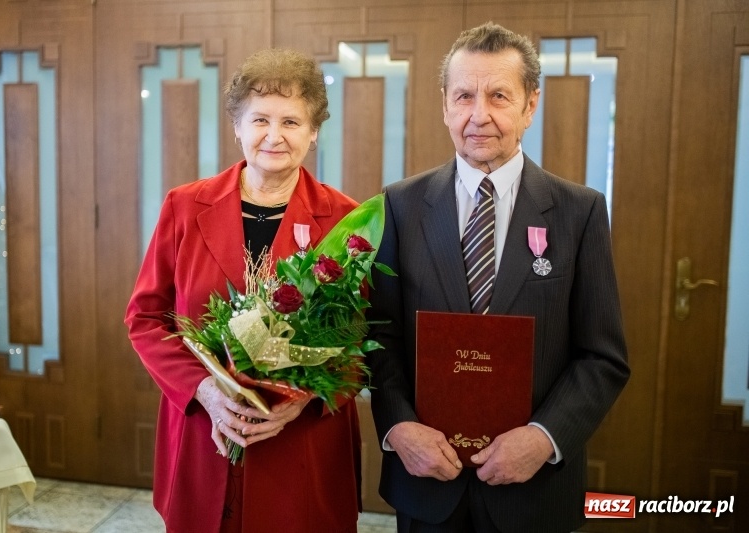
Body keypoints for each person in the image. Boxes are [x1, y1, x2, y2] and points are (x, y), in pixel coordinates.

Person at [365, 22, 630, 533]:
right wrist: (398, 427)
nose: (478, 115)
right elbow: (380, 335)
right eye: (463, 96)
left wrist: (544, 437)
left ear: (531, 105)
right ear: (444, 104)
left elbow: (603, 356)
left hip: (534, 491)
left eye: (499, 96)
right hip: (429, 482)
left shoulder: (580, 213)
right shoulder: (400, 206)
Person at [125, 48, 362, 533]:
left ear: (314, 131)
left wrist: (300, 398)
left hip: (302, 448)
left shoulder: (345, 220)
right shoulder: (185, 207)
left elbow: (364, 342)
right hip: (203, 436)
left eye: (292, 122)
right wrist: (206, 390)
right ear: (236, 125)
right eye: (260, 120)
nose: (274, 136)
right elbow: (146, 319)